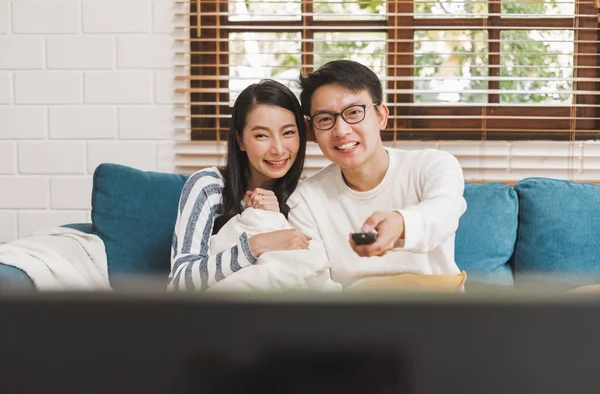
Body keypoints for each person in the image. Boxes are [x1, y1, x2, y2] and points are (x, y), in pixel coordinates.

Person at [287, 60, 467, 289]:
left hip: (436, 310)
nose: (341, 130)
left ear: (381, 116)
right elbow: (315, 283)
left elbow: (444, 213)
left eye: (353, 113)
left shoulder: (432, 165)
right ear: (312, 132)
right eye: (325, 119)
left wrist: (400, 223)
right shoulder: (304, 201)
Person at [168, 79, 310, 291]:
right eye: (261, 135)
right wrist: (256, 245)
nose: (279, 149)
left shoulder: (303, 195)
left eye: (288, 132)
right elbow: (180, 282)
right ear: (241, 140)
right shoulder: (209, 186)